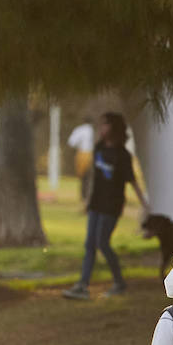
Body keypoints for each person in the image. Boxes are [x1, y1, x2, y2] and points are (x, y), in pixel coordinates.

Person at [63, 112, 150, 300]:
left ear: (115, 128)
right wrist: (88, 200)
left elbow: (132, 181)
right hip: (96, 204)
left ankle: (119, 282)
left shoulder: (123, 155)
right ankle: (82, 286)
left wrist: (144, 204)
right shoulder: (99, 148)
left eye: (105, 125)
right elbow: (96, 178)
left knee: (102, 243)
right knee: (89, 244)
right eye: (100, 125)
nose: (101, 129)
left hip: (112, 206)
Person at [68, 117, 96, 199]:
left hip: (83, 154)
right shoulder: (95, 130)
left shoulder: (80, 129)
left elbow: (71, 142)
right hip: (93, 154)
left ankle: (84, 197)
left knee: (83, 177)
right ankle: (89, 196)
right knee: (91, 177)